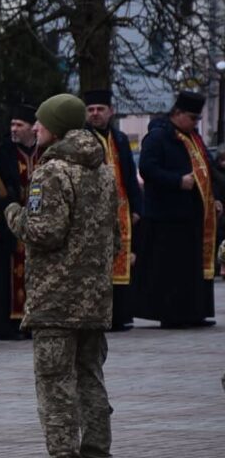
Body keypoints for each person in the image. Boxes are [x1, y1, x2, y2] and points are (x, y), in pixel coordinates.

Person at [4, 93, 121, 458]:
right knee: (91, 381)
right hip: (94, 300)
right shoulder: (103, 169)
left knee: (55, 387)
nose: (35, 128)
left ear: (57, 125)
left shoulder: (52, 171)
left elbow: (45, 232)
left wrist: (14, 214)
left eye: (40, 122)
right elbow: (116, 235)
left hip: (56, 300)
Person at [134, 91, 221, 327]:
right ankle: (172, 315)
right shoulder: (158, 137)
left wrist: (215, 198)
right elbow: (147, 169)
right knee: (170, 269)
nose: (195, 123)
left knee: (191, 267)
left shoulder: (193, 137)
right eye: (192, 118)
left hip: (192, 214)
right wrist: (177, 181)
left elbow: (208, 169)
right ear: (177, 114)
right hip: (167, 214)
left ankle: (193, 312)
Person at [81, 91, 143, 332]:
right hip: (93, 213)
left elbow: (129, 175)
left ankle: (120, 315)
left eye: (100, 109)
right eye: (91, 110)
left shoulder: (119, 138)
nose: (95, 114)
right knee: (97, 265)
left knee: (120, 261)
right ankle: (98, 316)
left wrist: (138, 207)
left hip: (121, 211)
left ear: (111, 111)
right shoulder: (82, 138)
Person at [0, 104, 38, 341]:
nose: (14, 129)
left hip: (37, 224)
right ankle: (8, 324)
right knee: (8, 275)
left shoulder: (42, 150)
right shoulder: (4, 152)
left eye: (19, 125)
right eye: (12, 125)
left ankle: (33, 320)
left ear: (32, 128)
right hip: (11, 224)